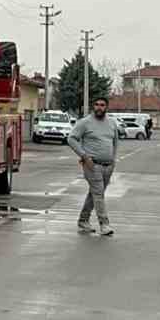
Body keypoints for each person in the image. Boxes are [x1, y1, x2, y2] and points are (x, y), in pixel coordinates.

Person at [68, 96, 119, 236]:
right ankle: (104, 224)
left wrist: (113, 160)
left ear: (106, 107)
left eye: (102, 105)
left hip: (108, 166)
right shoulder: (85, 123)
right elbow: (71, 139)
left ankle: (83, 220)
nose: (99, 107)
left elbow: (115, 142)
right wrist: (84, 156)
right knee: (98, 193)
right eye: (96, 104)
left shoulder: (112, 123)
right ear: (93, 107)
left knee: (95, 193)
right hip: (92, 165)